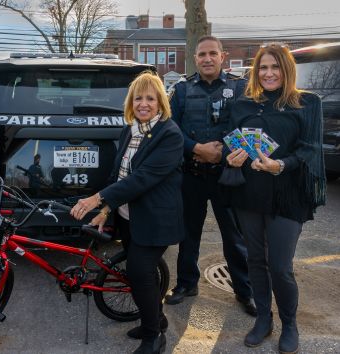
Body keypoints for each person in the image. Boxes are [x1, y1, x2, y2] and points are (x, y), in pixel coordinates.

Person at [71, 71, 184, 354]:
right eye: (138, 98)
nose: (144, 104)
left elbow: (142, 179)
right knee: (139, 275)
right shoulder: (129, 130)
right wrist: (106, 209)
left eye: (150, 98)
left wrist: (96, 198)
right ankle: (156, 320)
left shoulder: (169, 135)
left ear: (161, 102)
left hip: (155, 221)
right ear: (130, 102)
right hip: (128, 217)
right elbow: (118, 176)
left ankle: (153, 337)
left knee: (139, 273)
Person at [225, 42, 326, 354]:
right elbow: (231, 142)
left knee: (280, 265)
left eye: (274, 67)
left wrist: (280, 164)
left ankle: (289, 324)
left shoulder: (307, 102)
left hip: (288, 194)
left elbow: (309, 148)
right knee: (254, 259)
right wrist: (233, 156)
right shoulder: (243, 104)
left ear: (286, 69)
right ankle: (263, 320)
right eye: (263, 68)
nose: (268, 73)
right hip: (249, 193)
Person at [166, 35, 256, 316]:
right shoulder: (181, 90)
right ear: (195, 58)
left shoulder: (239, 87)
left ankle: (244, 291)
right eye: (202, 54)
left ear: (222, 56)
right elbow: (171, 129)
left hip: (226, 175)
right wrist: (195, 148)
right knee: (188, 233)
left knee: (234, 236)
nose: (207, 58)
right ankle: (186, 284)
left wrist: (221, 151)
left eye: (212, 54)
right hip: (192, 174)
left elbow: (245, 125)